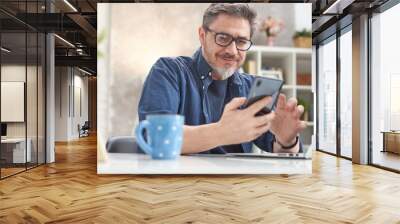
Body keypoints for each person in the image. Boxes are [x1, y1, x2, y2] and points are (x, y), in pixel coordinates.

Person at [138, 3, 307, 154]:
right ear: (203, 36)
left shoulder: (252, 87)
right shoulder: (169, 71)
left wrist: (287, 140)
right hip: (177, 185)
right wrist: (222, 132)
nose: (232, 51)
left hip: (236, 188)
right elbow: (156, 138)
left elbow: (278, 149)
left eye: (241, 41)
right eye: (223, 38)